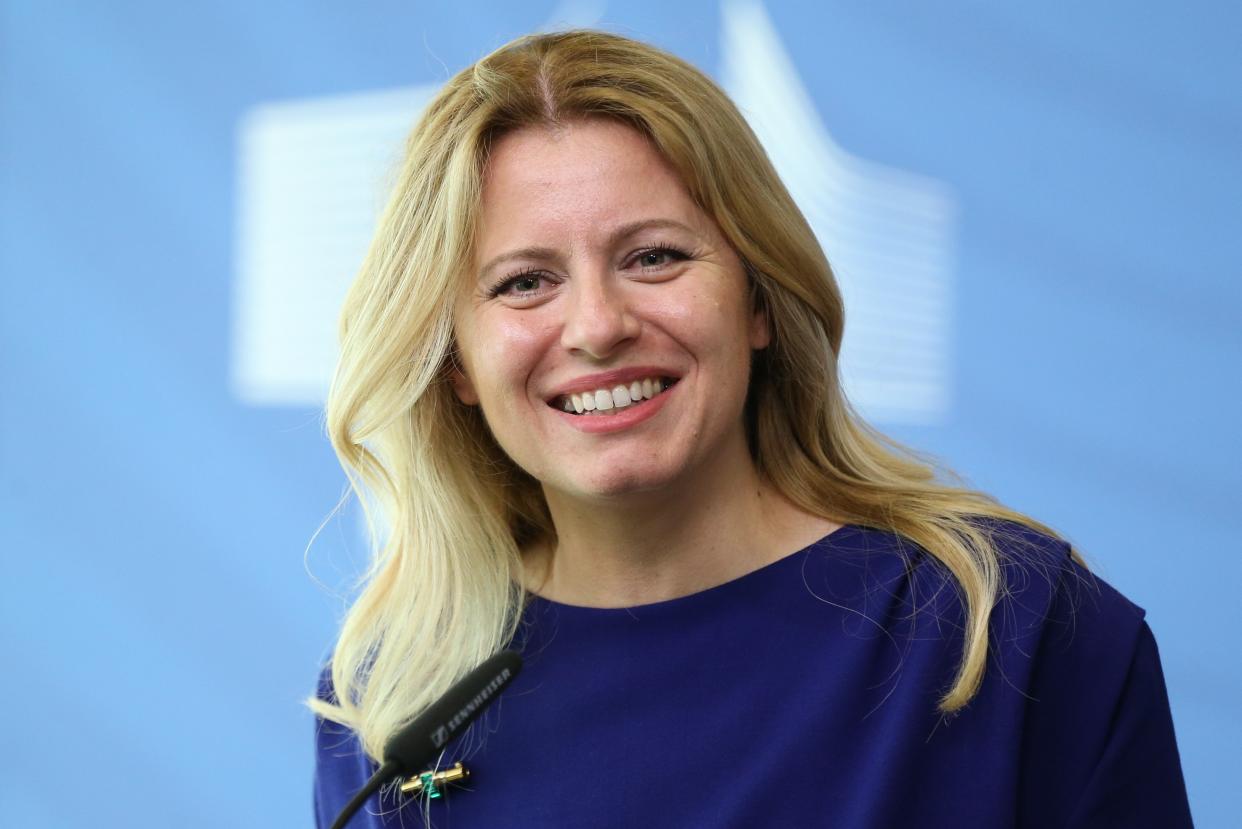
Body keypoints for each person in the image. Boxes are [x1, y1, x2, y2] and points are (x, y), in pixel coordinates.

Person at [311, 29, 1192, 828]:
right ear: (456, 361)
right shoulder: (394, 698)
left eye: (653, 256)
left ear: (759, 298)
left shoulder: (1013, 626)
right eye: (524, 282)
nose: (596, 325)